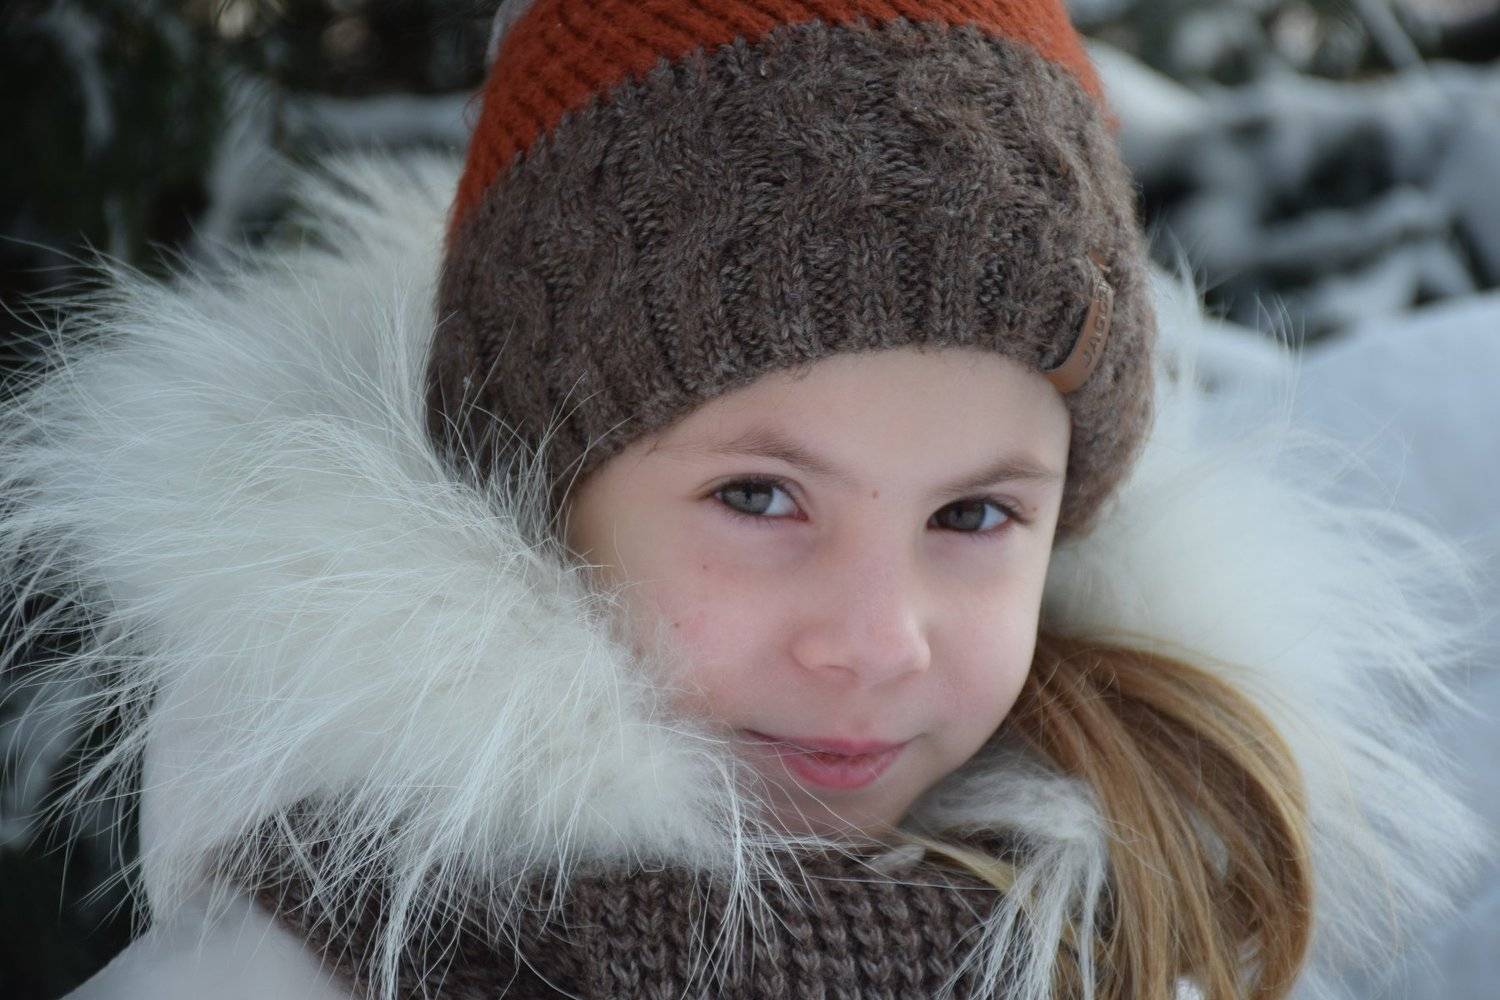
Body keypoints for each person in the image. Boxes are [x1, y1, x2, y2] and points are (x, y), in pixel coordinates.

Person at [1, 2, 1489, 999]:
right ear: (530, 479)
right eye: (762, 494)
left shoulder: (1144, 925)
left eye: (974, 516)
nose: (877, 640)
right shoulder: (288, 970)